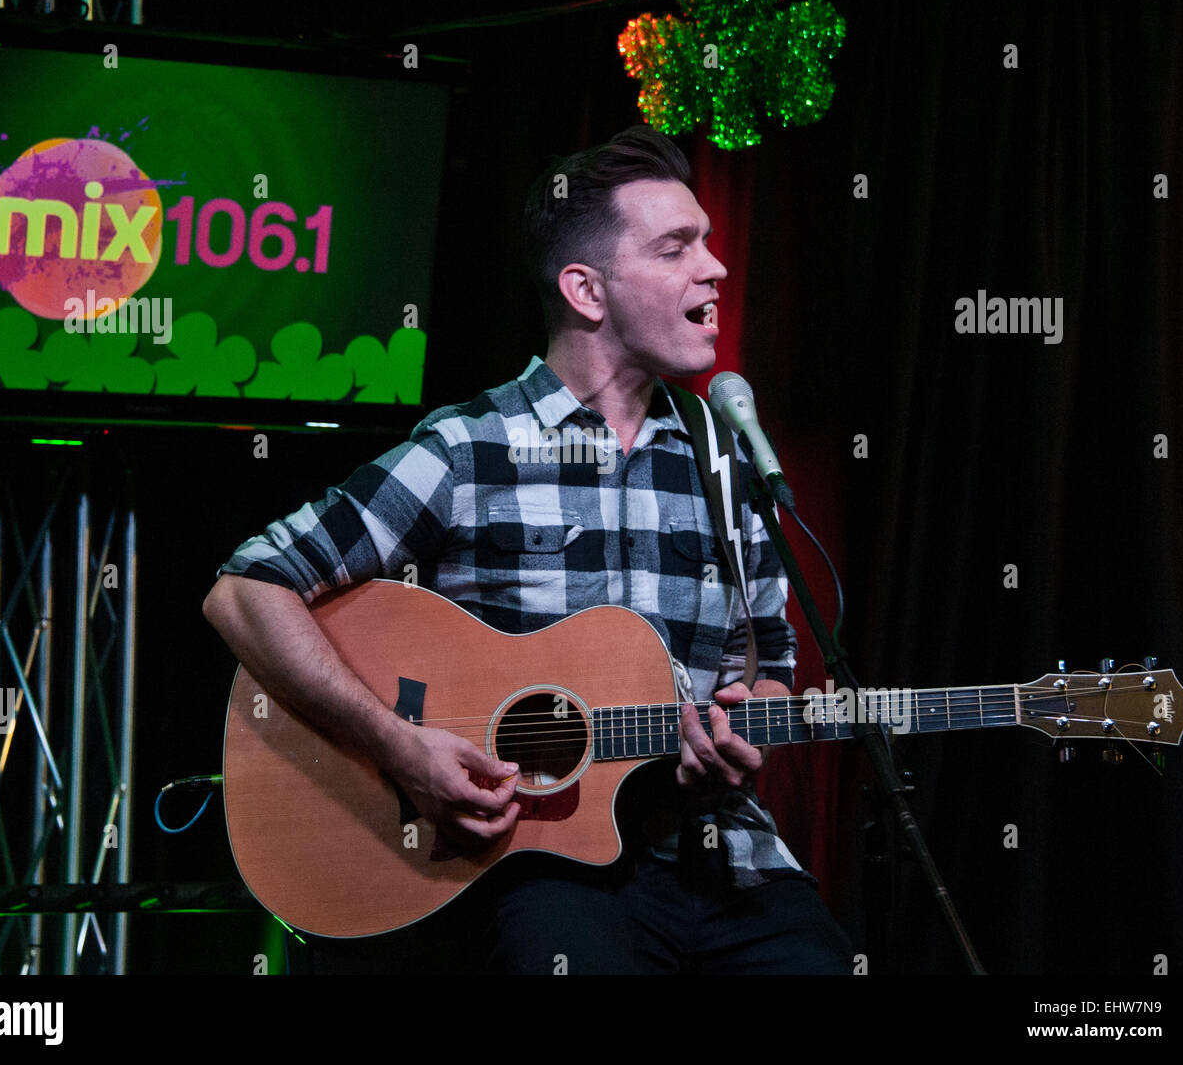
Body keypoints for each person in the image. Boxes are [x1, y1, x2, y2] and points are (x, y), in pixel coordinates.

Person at [203, 125, 853, 973]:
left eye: (709, 243)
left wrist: (744, 721)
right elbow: (246, 588)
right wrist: (397, 745)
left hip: (723, 853)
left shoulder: (724, 461)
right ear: (587, 290)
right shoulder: (471, 447)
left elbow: (772, 663)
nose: (716, 268)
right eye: (676, 247)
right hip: (540, 868)